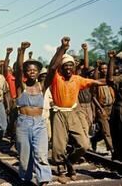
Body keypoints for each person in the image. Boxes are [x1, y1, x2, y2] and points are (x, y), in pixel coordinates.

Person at [46, 37, 104, 184]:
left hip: (72, 113)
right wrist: (63, 49)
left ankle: (70, 162)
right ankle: (62, 171)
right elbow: (52, 67)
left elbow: (95, 82)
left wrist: (109, 81)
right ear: (61, 68)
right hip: (58, 113)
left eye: (71, 66)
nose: (68, 68)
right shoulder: (56, 78)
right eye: (65, 66)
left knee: (84, 144)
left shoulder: (77, 79)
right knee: (58, 147)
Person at [15, 42, 52, 185]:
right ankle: (25, 179)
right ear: (26, 73)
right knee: (25, 158)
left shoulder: (42, 86)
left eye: (35, 70)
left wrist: (62, 49)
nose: (32, 72)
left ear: (38, 72)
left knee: (42, 155)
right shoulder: (21, 86)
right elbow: (18, 69)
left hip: (39, 124)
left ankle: (44, 181)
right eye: (29, 70)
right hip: (23, 123)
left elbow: (53, 68)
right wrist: (22, 51)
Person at [107, 50, 122, 161]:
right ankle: (117, 153)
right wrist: (111, 60)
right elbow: (110, 79)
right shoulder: (120, 77)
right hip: (118, 106)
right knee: (116, 132)